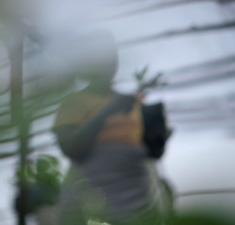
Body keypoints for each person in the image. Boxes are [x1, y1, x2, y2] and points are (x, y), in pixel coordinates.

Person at [52, 31, 167, 225]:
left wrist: (158, 132)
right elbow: (70, 147)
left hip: (137, 196)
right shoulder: (73, 102)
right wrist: (109, 111)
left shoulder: (132, 103)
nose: (109, 63)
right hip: (89, 195)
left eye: (112, 57)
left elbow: (153, 152)